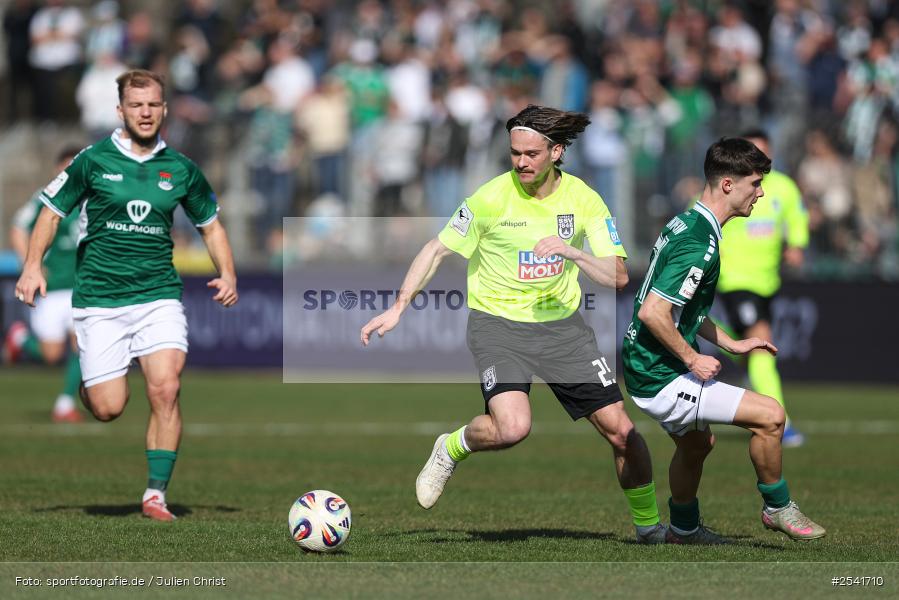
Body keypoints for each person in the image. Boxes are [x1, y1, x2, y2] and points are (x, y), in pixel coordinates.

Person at [361, 105, 667, 544]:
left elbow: (618, 276)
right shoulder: (490, 198)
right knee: (512, 428)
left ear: (556, 151)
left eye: (531, 154)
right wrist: (398, 307)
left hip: (563, 330)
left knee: (622, 432)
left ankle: (648, 527)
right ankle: (451, 447)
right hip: (497, 325)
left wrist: (574, 253)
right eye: (514, 153)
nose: (521, 162)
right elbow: (436, 249)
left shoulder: (584, 200)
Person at [14, 69, 238, 522]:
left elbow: (210, 226)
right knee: (108, 407)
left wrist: (228, 273)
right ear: (120, 111)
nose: (145, 112)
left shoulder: (180, 169)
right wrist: (32, 266)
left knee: (167, 387)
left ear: (164, 109)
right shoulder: (91, 160)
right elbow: (50, 213)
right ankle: (87, 388)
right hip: (100, 299)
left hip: (158, 296)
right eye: (136, 105)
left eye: (153, 104)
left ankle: (155, 494)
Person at [622, 137, 825, 543]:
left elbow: (682, 308)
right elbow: (653, 312)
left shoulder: (689, 223)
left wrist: (731, 344)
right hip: (659, 372)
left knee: (697, 444)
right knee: (771, 416)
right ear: (729, 185)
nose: (761, 192)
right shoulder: (700, 241)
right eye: (755, 183)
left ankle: (683, 529)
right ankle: (778, 508)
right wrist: (693, 358)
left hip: (648, 363)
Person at [718, 128, 809, 447]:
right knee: (761, 342)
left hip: (769, 281)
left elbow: (797, 219)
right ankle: (780, 420)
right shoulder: (730, 188)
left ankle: (752, 380)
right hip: (736, 279)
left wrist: (797, 245)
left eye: (763, 154)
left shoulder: (783, 188)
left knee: (753, 349)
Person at [6, 146, 85, 423]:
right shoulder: (46, 197)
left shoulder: (92, 197)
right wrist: (31, 265)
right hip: (52, 286)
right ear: (56, 170)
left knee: (82, 345)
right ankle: (19, 340)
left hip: (83, 286)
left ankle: (64, 404)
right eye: (65, 166)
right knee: (52, 355)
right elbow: (18, 229)